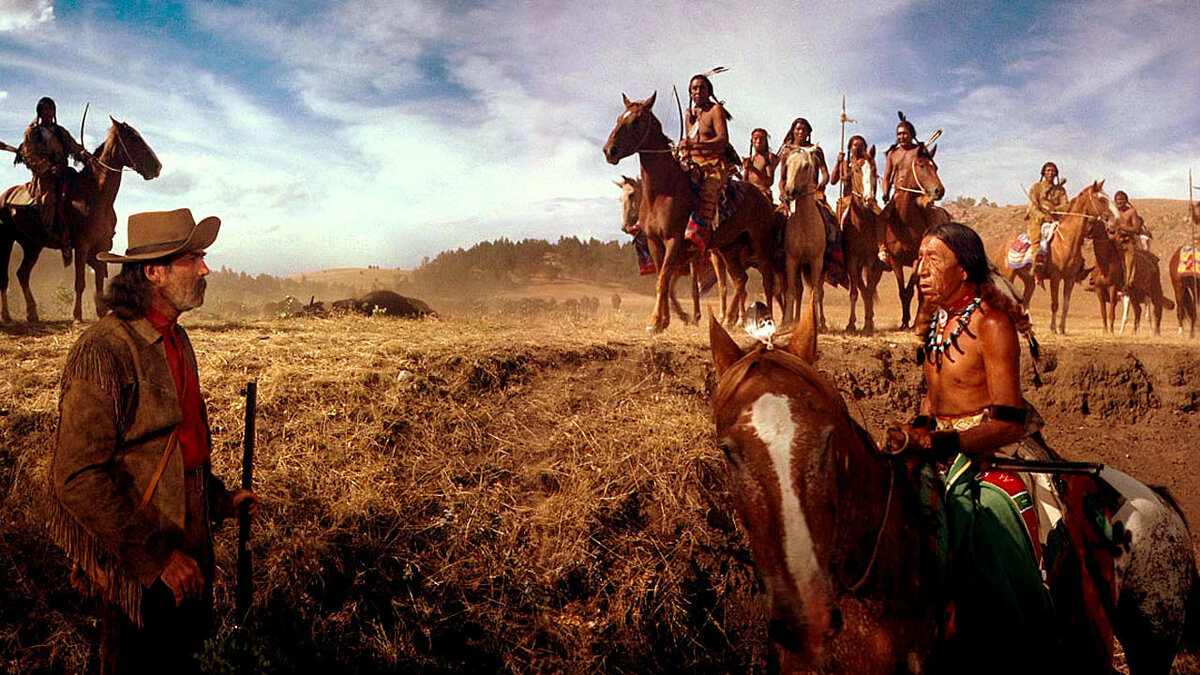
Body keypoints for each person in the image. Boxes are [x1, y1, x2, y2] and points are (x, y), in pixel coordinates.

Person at [48, 208, 259, 674]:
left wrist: (219, 498)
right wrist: (158, 558)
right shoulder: (103, 349)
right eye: (193, 259)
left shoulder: (178, 340)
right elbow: (76, 477)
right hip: (139, 567)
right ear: (153, 271)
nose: (205, 269)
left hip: (190, 545)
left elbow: (174, 448)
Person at [883, 222, 1060, 673]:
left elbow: (1008, 422)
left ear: (963, 270)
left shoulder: (992, 325)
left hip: (990, 454)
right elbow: (937, 396)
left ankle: (1014, 647)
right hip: (939, 450)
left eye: (933, 260)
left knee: (983, 530)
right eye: (919, 259)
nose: (920, 270)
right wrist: (916, 429)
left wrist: (941, 441)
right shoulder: (937, 321)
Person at [15, 96, 91, 266]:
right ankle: (51, 233)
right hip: (45, 175)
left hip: (64, 171)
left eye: (51, 109)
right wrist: (48, 166)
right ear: (40, 112)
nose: (49, 113)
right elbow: (30, 156)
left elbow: (73, 147)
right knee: (48, 199)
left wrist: (84, 154)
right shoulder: (32, 133)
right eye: (46, 109)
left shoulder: (61, 132)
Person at [777, 117, 843, 281]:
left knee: (831, 219)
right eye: (798, 129)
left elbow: (825, 173)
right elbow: (782, 179)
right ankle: (777, 254)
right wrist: (782, 191)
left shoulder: (815, 151)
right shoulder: (787, 152)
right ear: (793, 131)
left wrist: (822, 183)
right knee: (777, 220)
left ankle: (832, 258)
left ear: (808, 133)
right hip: (792, 193)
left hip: (813, 192)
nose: (800, 132)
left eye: (804, 130)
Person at [678, 73, 738, 251]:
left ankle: (701, 234)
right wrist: (684, 147)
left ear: (709, 91)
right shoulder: (690, 114)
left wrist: (696, 144)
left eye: (701, 88)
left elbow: (722, 140)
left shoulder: (715, 110)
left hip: (714, 163)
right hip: (692, 161)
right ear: (690, 94)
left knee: (709, 189)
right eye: (694, 89)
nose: (697, 91)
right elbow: (690, 140)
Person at [1024, 162, 1070, 281]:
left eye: (1053, 171)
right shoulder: (1036, 188)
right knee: (1037, 240)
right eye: (1048, 170)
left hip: (1055, 220)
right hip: (1038, 221)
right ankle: (1037, 267)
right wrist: (1043, 216)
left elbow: (1066, 205)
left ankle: (1077, 267)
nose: (1051, 173)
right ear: (1043, 172)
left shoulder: (1060, 190)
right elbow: (1032, 207)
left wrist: (1054, 210)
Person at [830, 134, 880, 228]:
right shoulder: (845, 164)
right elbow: (832, 181)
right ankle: (837, 239)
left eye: (861, 146)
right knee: (837, 224)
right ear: (850, 148)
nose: (858, 148)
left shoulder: (867, 163)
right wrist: (838, 162)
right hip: (847, 200)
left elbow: (872, 181)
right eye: (855, 145)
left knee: (882, 219)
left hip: (866, 198)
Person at [1112, 190, 1149, 292]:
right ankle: (1095, 278)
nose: (1119, 202)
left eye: (1121, 199)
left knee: (1130, 256)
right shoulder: (1113, 212)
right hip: (1114, 240)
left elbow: (1136, 229)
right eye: (1117, 200)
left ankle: (1128, 281)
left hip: (1127, 240)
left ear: (1126, 200)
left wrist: (1123, 228)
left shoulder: (1131, 212)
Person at [741, 128, 778, 203]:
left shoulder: (769, 157)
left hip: (762, 194)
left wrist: (753, 169)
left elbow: (770, 181)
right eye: (756, 138)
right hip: (749, 192)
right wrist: (746, 168)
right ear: (752, 141)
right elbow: (744, 181)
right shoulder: (751, 159)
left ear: (765, 142)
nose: (758, 141)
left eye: (761, 139)